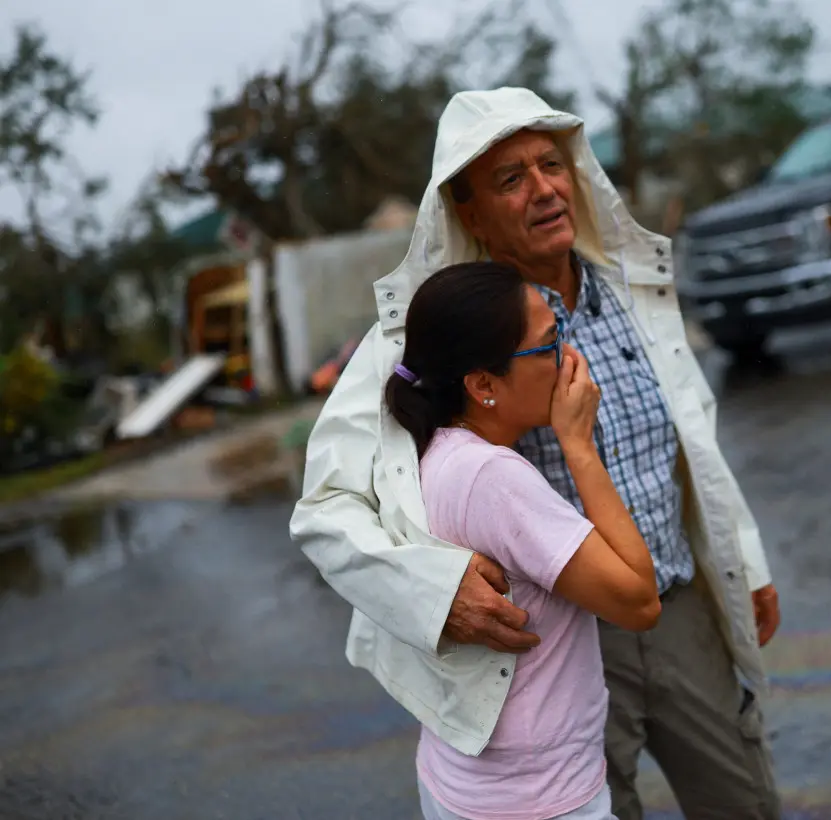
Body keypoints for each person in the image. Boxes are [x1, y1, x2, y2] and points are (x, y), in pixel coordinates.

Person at [290, 86, 782, 819]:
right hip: (556, 652)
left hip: (676, 608)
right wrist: (434, 591)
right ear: (468, 211)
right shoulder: (432, 336)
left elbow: (694, 436)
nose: (545, 189)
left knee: (743, 801)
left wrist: (747, 559)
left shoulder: (629, 290)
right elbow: (325, 511)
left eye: (551, 165)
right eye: (510, 179)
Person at [386, 260, 658, 819]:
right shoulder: (494, 479)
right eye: (549, 343)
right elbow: (638, 601)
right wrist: (579, 445)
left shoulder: (426, 453)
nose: (567, 358)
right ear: (483, 385)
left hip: (461, 779)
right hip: (536, 799)